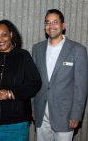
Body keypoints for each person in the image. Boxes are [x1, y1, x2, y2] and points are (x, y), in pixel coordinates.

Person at [32, 9, 88, 141]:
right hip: (41, 112)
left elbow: (81, 86)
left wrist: (76, 114)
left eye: (55, 22)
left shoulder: (78, 50)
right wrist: (32, 107)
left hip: (65, 115)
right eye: (47, 22)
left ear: (63, 25)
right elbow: (33, 81)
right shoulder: (37, 48)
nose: (51, 26)